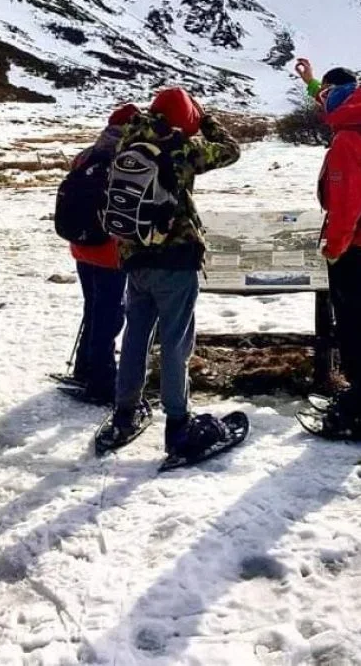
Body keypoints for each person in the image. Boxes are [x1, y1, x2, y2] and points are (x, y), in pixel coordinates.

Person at [107, 87, 242, 457]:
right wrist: (209, 122)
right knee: (175, 343)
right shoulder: (182, 147)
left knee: (136, 336)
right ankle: (178, 423)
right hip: (175, 259)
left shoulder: (128, 140)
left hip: (134, 256)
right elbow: (231, 151)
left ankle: (124, 412)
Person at [294, 58, 361, 438]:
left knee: (353, 329)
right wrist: (311, 83)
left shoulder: (349, 141)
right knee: (356, 324)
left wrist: (334, 247)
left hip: (352, 247)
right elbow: (333, 102)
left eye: (328, 96)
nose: (324, 103)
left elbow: (347, 202)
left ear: (342, 98)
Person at [67, 104, 140, 403]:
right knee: (109, 315)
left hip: (82, 245)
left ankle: (84, 369)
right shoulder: (128, 159)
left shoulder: (86, 155)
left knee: (93, 308)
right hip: (111, 248)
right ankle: (102, 380)